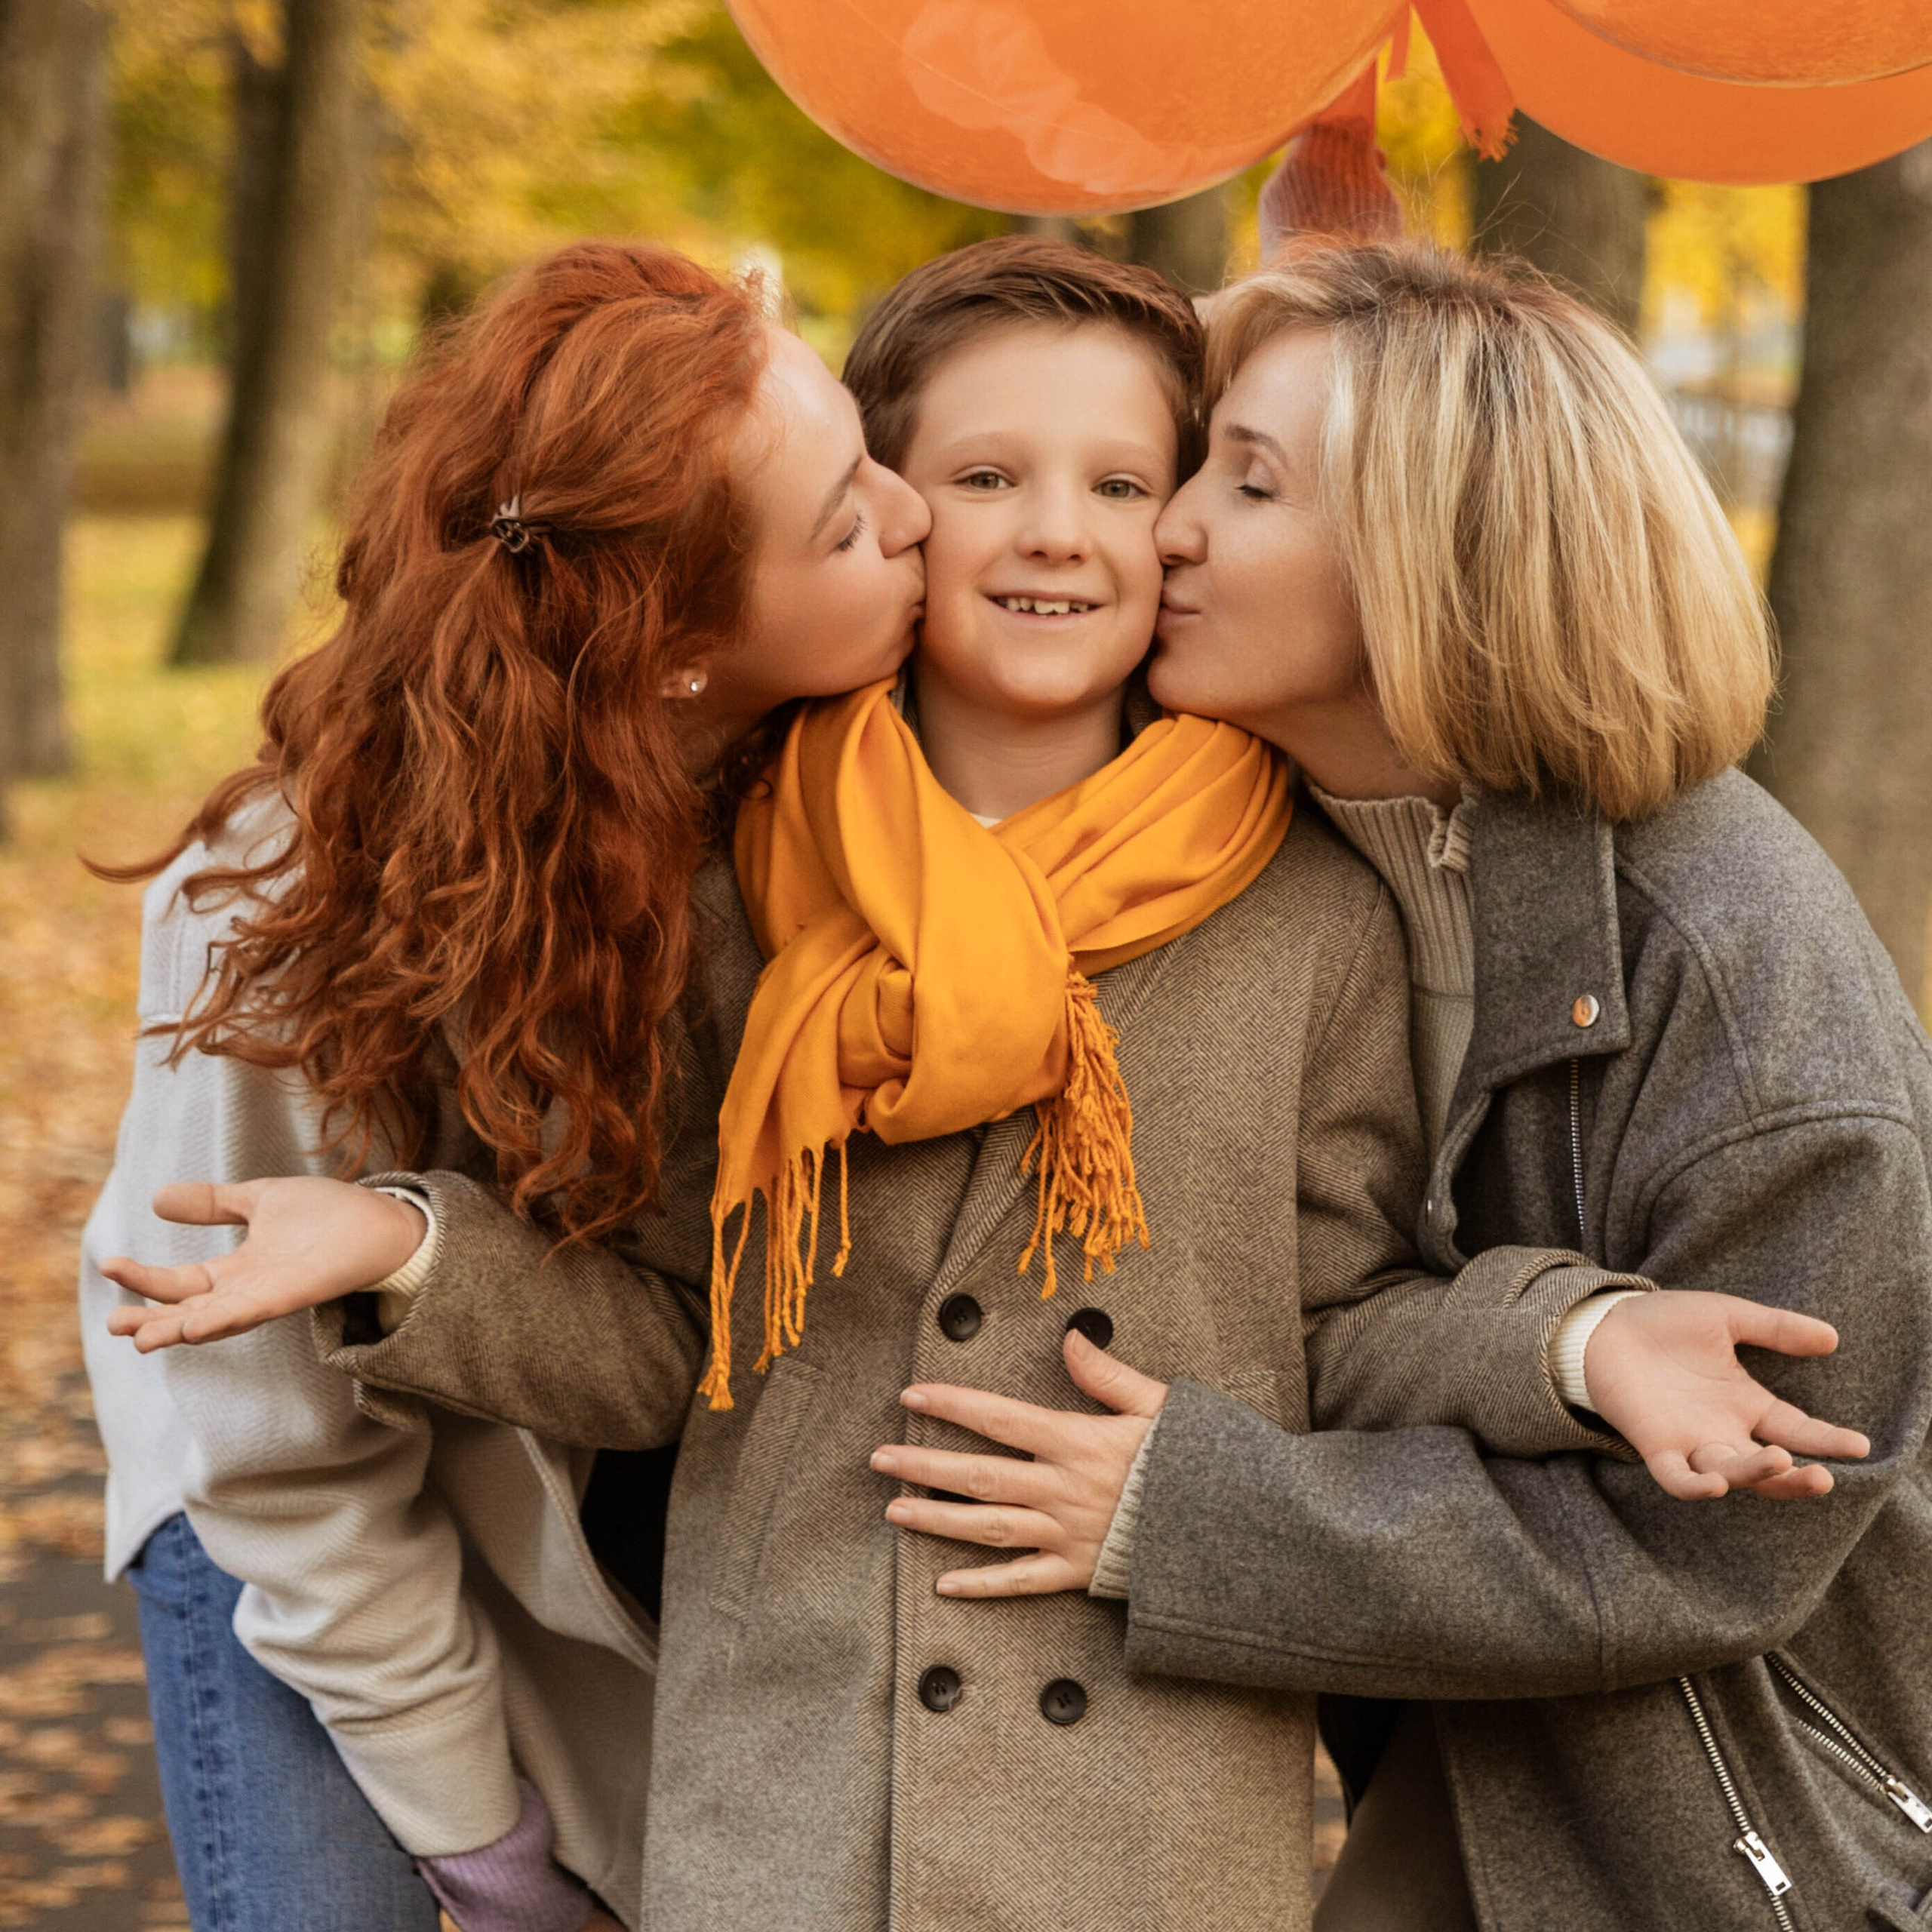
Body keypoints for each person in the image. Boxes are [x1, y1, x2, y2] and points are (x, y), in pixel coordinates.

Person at [102, 238, 1868, 1930]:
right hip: (776, 1808)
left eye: (1126, 483)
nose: (1063, 535)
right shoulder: (722, 896)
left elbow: (1343, 1326)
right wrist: (402, 1248)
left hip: (1137, 1835)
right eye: (981, 477)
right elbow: (664, 1335)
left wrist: (1574, 1339)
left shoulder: (1314, 914)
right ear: (882, 517)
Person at [871, 241, 1932, 1932]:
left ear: (1431, 557)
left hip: (1738, 1840)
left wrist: (1196, 1515)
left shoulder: (1740, 993)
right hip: (1452, 1766)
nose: (1171, 528)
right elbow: (1331, 1292)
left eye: (1250, 480)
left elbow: (1726, 1547)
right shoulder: (1251, 853)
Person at [80, 237, 930, 1930]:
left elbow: (675, 1337)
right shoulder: (291, 890)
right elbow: (277, 1457)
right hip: (296, 1523)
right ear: (676, 648)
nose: (915, 516)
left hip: (561, 1500)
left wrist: (407, 1247)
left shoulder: (825, 823)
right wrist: (484, 1839)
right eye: (844, 521)